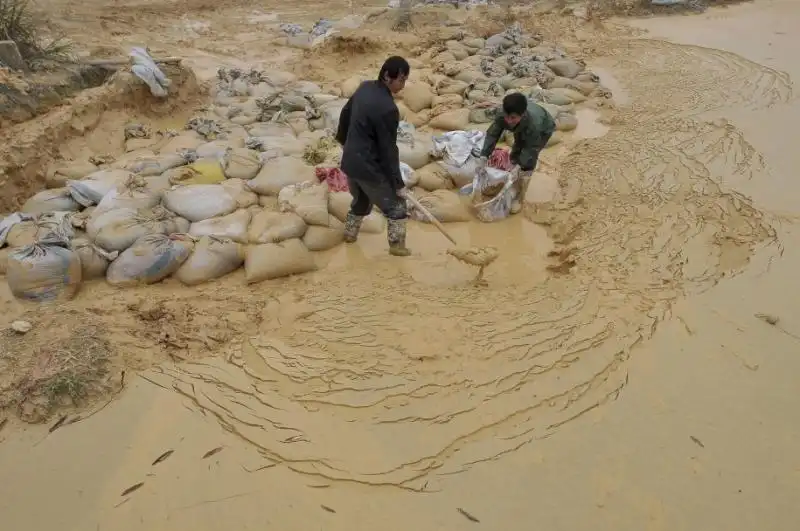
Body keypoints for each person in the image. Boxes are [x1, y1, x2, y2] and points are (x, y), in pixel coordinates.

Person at [336, 56, 411, 257]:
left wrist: (344, 142)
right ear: (387, 76)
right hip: (368, 167)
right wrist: (398, 183)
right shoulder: (388, 108)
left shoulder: (365, 88)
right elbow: (388, 150)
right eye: (401, 79)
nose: (402, 85)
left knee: (361, 201)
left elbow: (345, 114)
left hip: (351, 162)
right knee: (397, 207)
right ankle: (397, 246)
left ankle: (350, 235)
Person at [472, 93, 556, 215]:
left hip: (543, 129)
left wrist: (519, 167)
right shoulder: (503, 114)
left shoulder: (534, 125)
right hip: (523, 127)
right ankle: (512, 181)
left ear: (522, 115)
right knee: (516, 150)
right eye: (507, 116)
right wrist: (484, 156)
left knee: (528, 162)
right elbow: (492, 134)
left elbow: (530, 148)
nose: (509, 121)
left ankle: (520, 197)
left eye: (513, 117)